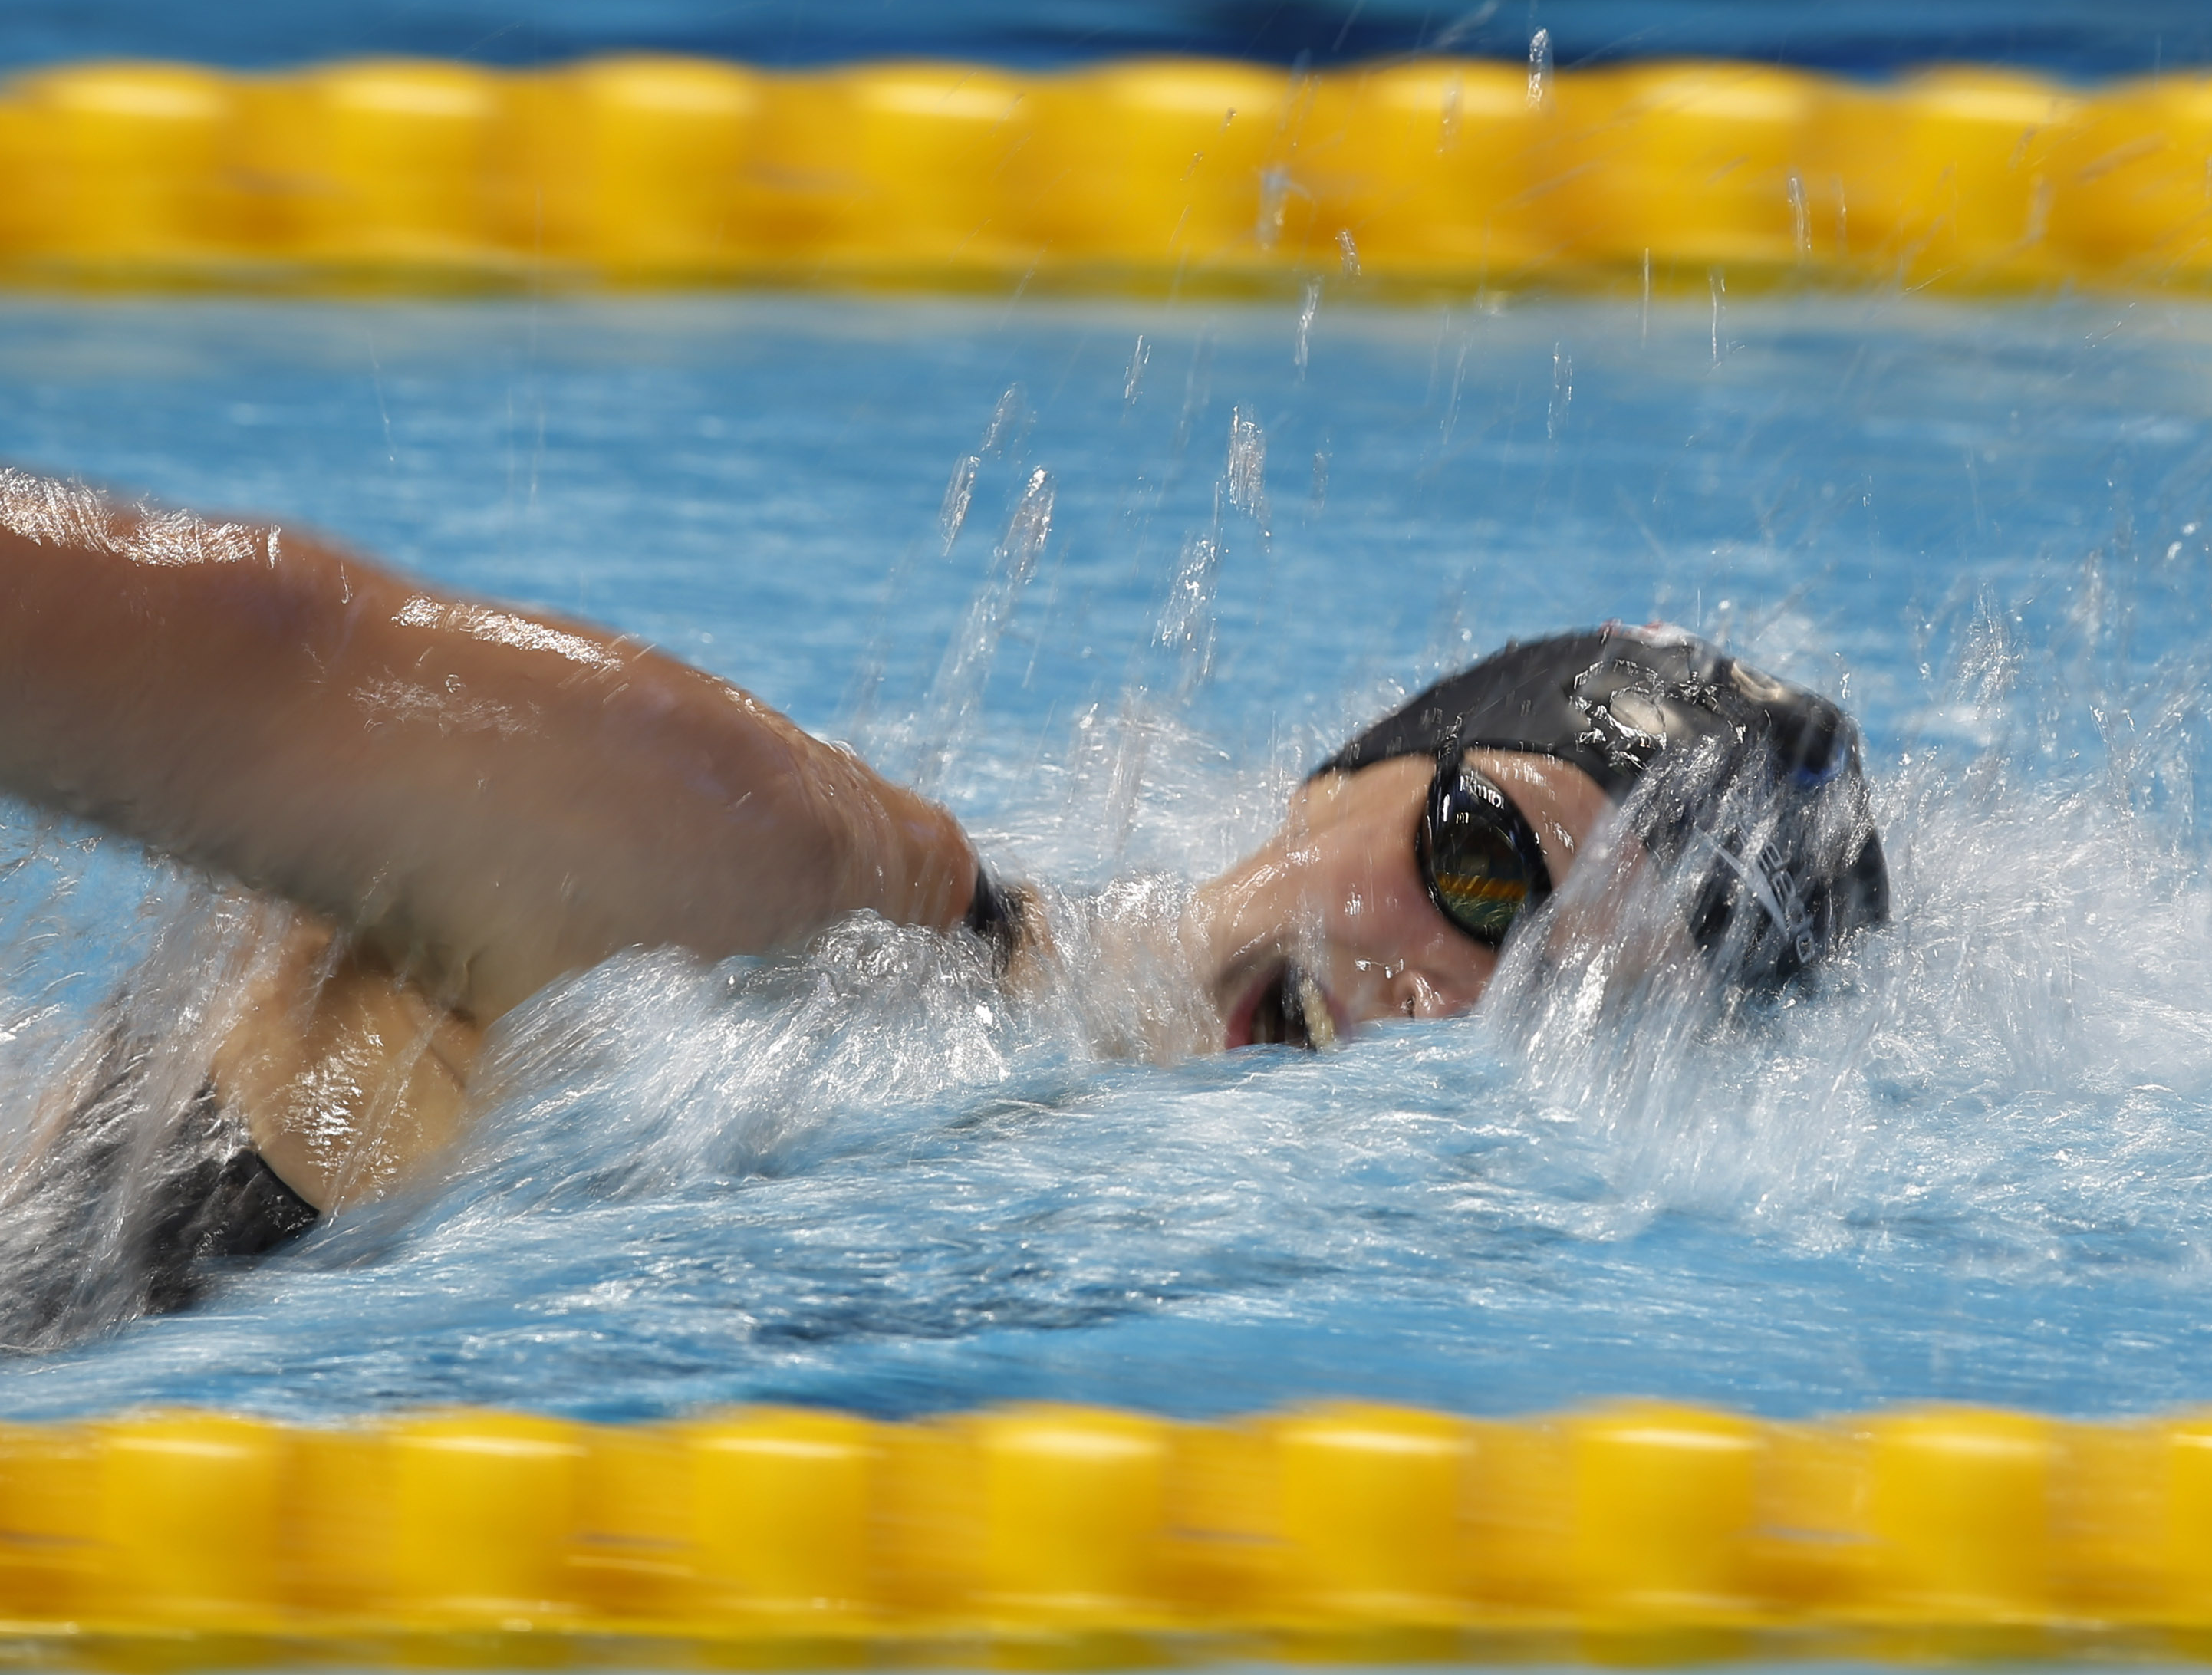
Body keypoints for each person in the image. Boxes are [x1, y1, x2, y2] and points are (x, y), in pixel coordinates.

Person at [0, 469, 1889, 1329]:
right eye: (1484, 865)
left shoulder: (1127, 1275)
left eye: (1564, 1005)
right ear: (1351, 766)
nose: (1438, 995)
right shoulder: (788, 884)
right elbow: (270, 654)